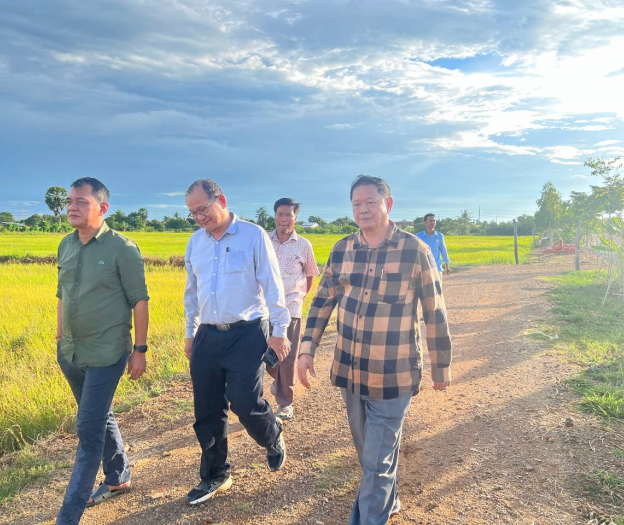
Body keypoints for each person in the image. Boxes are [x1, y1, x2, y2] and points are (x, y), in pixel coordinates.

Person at [297, 175, 453, 525]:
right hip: (351, 371)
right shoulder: (342, 249)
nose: (363, 209)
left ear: (388, 205)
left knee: (376, 462)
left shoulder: (415, 251)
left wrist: (440, 366)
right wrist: (306, 349)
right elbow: (322, 302)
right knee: (370, 453)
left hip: (393, 374)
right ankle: (389, 498)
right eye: (357, 204)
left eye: (370, 202)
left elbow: (435, 312)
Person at [183, 179, 292, 506]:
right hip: (207, 335)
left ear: (221, 200)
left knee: (245, 402)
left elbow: (273, 285)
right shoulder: (195, 242)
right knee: (206, 410)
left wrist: (280, 330)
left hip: (248, 331)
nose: (199, 217)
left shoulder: (252, 235)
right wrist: (190, 332)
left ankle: (271, 433)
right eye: (193, 213)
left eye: (203, 209)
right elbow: (192, 292)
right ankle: (215, 474)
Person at [55, 177, 150, 525]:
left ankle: (68, 516)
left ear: (102, 207)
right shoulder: (66, 244)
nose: (72, 207)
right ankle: (118, 477)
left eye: (81, 201)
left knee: (88, 430)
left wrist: (139, 350)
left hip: (108, 352)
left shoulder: (123, 248)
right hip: (72, 352)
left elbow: (139, 300)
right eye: (70, 201)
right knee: (98, 414)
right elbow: (62, 295)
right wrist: (60, 336)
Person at [266, 198, 319, 420]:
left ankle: (285, 402)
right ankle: (279, 381)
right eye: (280, 214)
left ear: (295, 218)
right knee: (263, 355)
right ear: (275, 216)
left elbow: (310, 275)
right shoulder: (264, 241)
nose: (284, 219)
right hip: (264, 308)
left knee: (286, 357)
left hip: (291, 308)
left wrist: (300, 297)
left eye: (288, 215)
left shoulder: (303, 245)